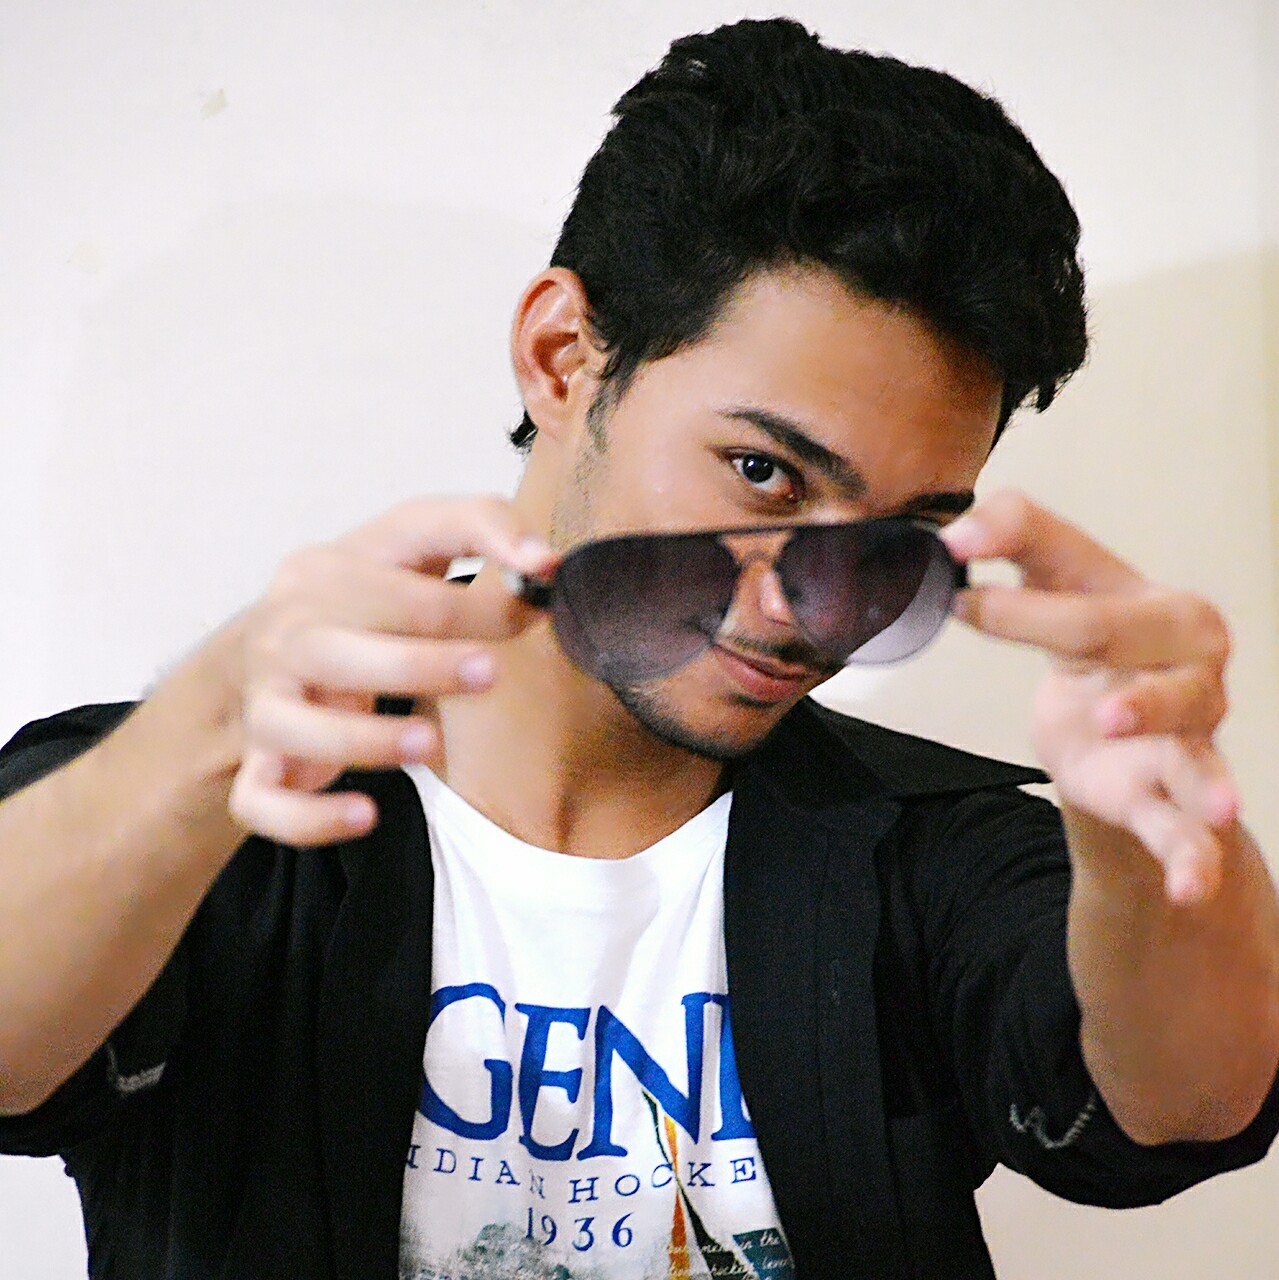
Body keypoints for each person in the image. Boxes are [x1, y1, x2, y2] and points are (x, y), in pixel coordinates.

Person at [1, 16, 1277, 1280]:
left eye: (898, 539)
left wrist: (1158, 832)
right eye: (763, 471)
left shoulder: (925, 852)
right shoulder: (199, 805)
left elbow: (1184, 1107)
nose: (811, 609)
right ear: (562, 358)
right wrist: (203, 733)